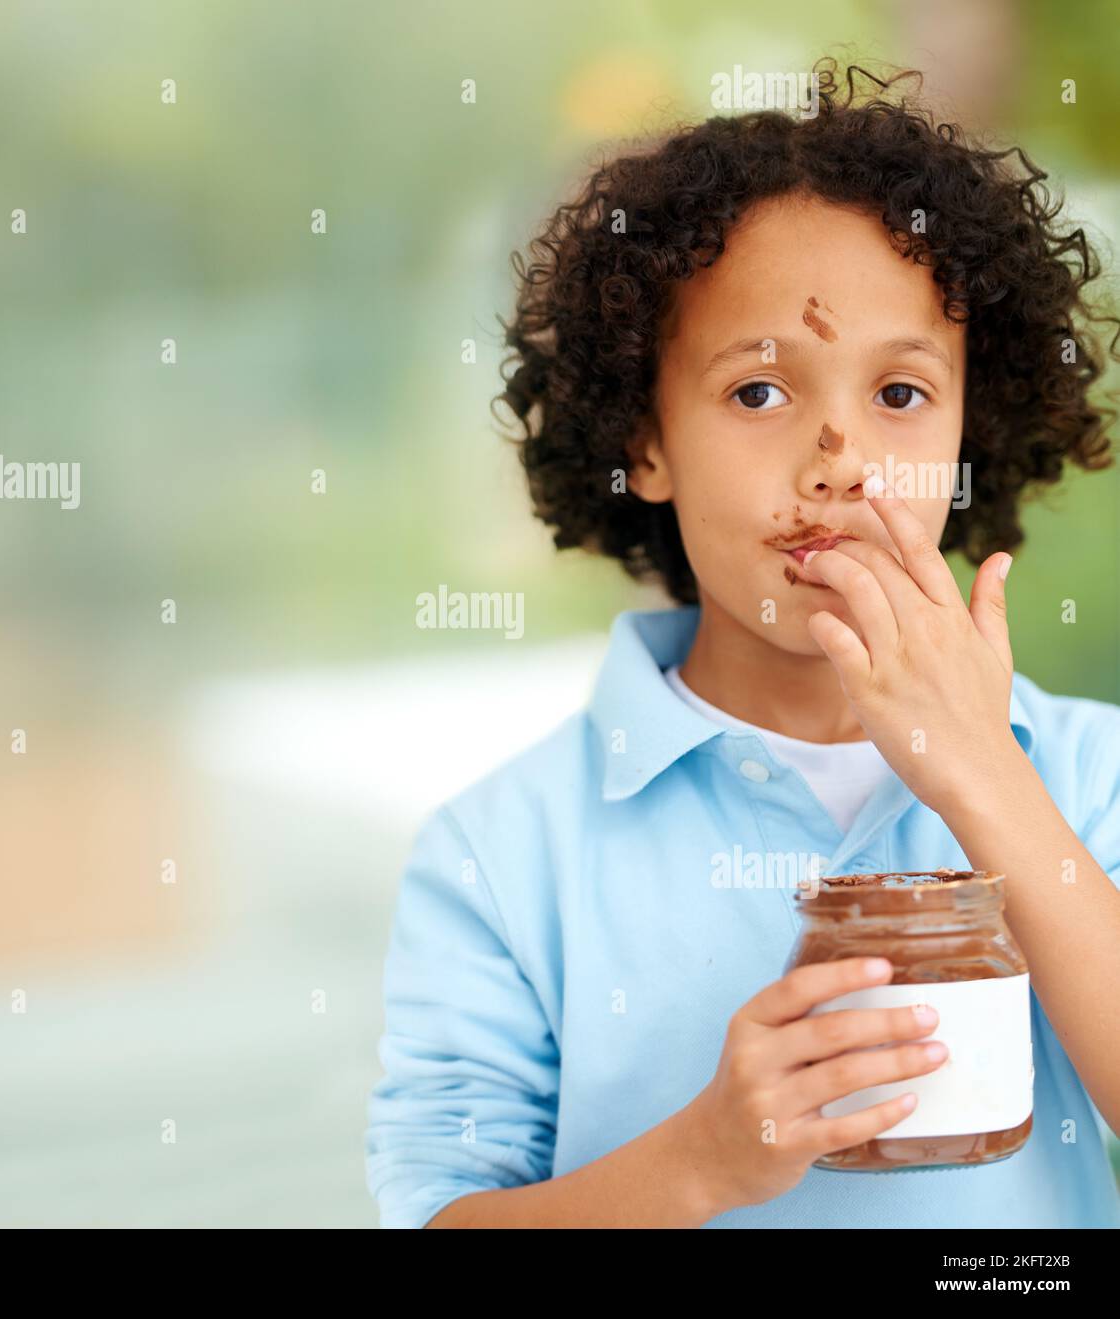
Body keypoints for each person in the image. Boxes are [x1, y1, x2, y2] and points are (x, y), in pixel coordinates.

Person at [364, 62, 1120, 1228]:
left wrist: (983, 771)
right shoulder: (501, 853)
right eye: (759, 392)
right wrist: (703, 1159)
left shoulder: (1086, 776)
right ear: (645, 441)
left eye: (901, 394)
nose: (840, 460)